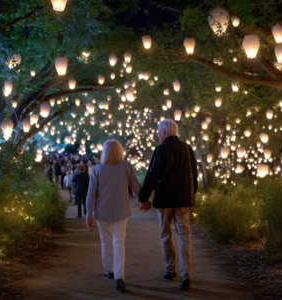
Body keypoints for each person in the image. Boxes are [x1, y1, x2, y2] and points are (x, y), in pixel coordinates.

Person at [139, 119, 198, 291]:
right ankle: (186, 273)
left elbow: (152, 175)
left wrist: (144, 198)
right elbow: (194, 176)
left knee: (166, 234)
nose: (158, 135)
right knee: (184, 235)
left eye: (159, 132)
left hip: (164, 200)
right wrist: (191, 195)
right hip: (183, 200)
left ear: (164, 132)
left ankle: (170, 269)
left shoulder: (161, 150)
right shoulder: (188, 149)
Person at [85, 139, 141, 293]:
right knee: (119, 243)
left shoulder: (98, 169)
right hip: (121, 211)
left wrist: (88, 215)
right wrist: (143, 201)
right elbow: (136, 187)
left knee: (106, 241)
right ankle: (119, 276)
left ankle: (108, 269)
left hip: (101, 212)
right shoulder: (126, 167)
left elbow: (91, 194)